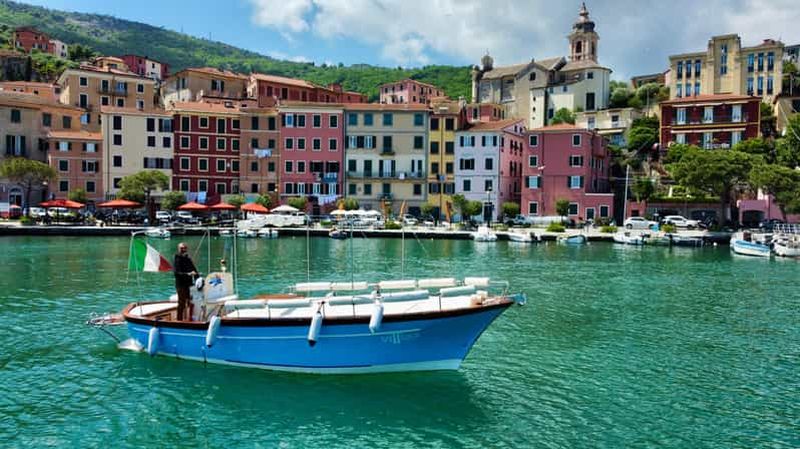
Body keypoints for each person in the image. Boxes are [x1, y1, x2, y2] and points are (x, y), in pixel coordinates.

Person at [174, 242, 198, 321]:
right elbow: (177, 273)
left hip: (189, 284)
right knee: (181, 303)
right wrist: (188, 274)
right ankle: (179, 320)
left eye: (184, 248)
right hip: (181, 285)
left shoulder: (188, 259)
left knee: (190, 302)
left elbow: (194, 270)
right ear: (179, 249)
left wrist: (199, 279)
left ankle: (190, 318)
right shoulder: (177, 258)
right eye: (181, 248)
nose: (183, 249)